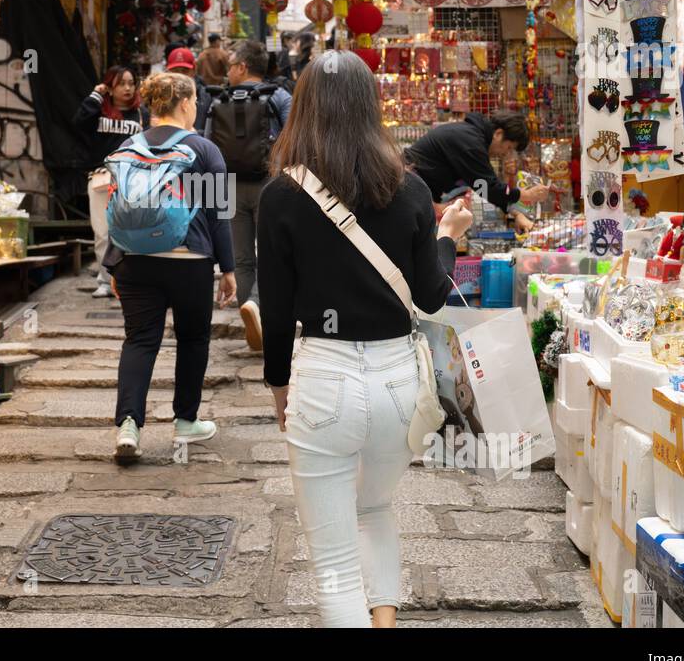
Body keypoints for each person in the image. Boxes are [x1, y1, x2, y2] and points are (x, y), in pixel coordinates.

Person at [257, 50, 474, 628]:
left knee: (331, 561)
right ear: (370, 106)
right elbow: (430, 297)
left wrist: (279, 387)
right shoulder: (409, 190)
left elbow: (276, 313)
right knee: (376, 508)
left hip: (325, 380)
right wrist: (449, 235)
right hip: (400, 383)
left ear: (303, 108)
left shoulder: (281, 196)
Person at [104, 72, 237, 462]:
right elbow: (219, 215)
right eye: (194, 99)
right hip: (189, 260)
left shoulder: (129, 145)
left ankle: (128, 425)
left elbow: (116, 207)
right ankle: (185, 421)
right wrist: (228, 269)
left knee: (140, 340)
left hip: (135, 261)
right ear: (183, 103)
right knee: (193, 339)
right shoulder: (204, 149)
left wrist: (114, 266)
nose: (196, 106)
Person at [206, 39, 291, 353]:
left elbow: (207, 147)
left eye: (230, 64)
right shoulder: (278, 96)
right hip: (271, 184)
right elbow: (293, 139)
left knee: (241, 258)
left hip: (229, 187)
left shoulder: (218, 100)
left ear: (242, 67)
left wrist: (211, 197)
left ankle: (250, 317)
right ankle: (260, 312)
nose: (227, 70)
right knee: (272, 255)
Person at [403, 110, 550, 232]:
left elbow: (484, 187)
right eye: (509, 147)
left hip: (413, 191)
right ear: (498, 134)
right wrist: (527, 195)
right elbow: (489, 188)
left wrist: (516, 213)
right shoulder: (471, 143)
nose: (506, 153)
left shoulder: (472, 137)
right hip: (407, 190)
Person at [74, 66, 148, 298]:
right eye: (121, 83)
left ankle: (130, 279)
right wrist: (96, 94)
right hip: (101, 177)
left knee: (131, 230)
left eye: (131, 83)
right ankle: (106, 280)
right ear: (110, 87)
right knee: (103, 232)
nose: (127, 88)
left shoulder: (141, 113)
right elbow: (78, 122)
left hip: (132, 179)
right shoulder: (99, 111)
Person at [165, 46, 210, 131]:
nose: (180, 75)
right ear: (168, 72)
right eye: (175, 71)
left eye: (185, 70)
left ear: (194, 70)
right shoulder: (161, 98)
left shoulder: (205, 97)